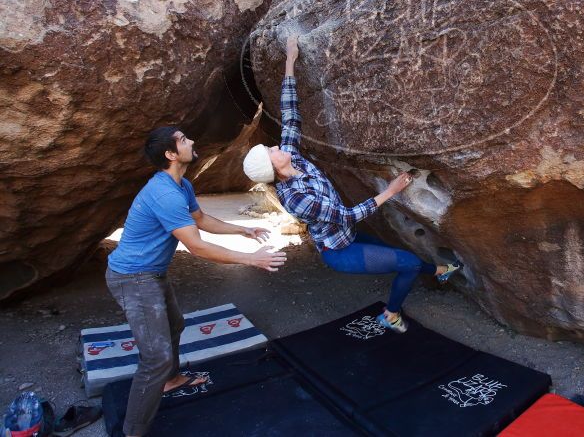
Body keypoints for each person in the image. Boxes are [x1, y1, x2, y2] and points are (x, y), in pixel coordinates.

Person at [242, 35, 460, 334]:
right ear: (273, 168)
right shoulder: (295, 198)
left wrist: (290, 60)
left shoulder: (292, 157)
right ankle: (391, 315)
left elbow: (291, 114)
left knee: (400, 257)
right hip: (338, 251)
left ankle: (440, 271)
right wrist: (391, 191)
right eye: (271, 151)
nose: (275, 146)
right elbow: (346, 215)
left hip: (349, 236)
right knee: (408, 262)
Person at [106, 127, 287, 437]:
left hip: (151, 274)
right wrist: (251, 259)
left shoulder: (181, 185)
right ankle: (132, 432)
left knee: (175, 325)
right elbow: (197, 246)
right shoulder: (164, 194)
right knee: (156, 358)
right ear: (171, 154)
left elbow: (201, 220)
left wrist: (243, 230)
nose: (191, 141)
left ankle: (171, 380)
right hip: (132, 278)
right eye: (183, 140)